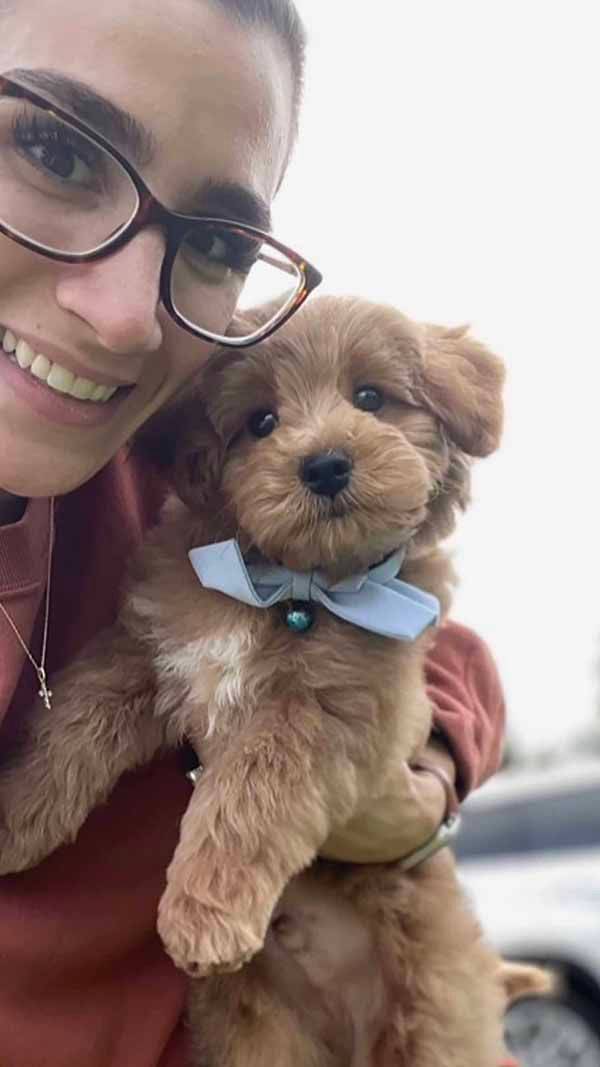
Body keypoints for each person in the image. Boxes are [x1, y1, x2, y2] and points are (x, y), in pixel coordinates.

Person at [0, 1, 505, 1064]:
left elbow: (427, 640)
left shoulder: (135, 429)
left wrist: (418, 782)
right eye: (50, 148)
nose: (124, 313)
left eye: (220, 240)